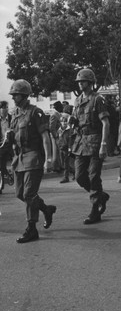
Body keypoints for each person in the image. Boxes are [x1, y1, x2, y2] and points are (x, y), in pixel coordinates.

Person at [7, 79, 56, 243]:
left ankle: (31, 228)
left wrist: (48, 158)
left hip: (34, 157)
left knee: (29, 193)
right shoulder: (15, 114)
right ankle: (46, 209)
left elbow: (45, 137)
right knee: (20, 193)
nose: (13, 98)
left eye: (16, 95)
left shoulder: (36, 112)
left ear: (24, 95)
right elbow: (14, 137)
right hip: (19, 158)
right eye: (13, 95)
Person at [71, 68, 110, 225]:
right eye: (79, 81)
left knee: (94, 176)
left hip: (95, 140)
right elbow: (75, 119)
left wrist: (104, 145)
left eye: (83, 81)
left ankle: (95, 210)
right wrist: (71, 123)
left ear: (90, 82)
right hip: (80, 142)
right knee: (80, 176)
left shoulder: (97, 99)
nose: (80, 84)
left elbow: (105, 123)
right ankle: (101, 196)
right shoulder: (78, 100)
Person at [58, 112, 75, 183]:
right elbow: (59, 138)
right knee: (63, 163)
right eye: (62, 122)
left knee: (66, 163)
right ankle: (75, 172)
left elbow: (70, 140)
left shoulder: (69, 130)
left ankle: (66, 177)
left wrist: (69, 148)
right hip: (61, 148)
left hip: (66, 148)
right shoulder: (59, 130)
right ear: (60, 122)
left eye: (65, 121)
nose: (64, 123)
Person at [0, 100, 12, 193]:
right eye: (2, 107)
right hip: (1, 145)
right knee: (1, 165)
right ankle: (1, 184)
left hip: (11, 145)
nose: (4, 109)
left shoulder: (12, 119)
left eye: (5, 107)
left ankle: (8, 175)